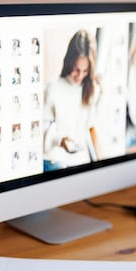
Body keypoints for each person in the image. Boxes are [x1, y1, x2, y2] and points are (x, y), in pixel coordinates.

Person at [43, 29, 100, 168]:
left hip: (79, 161)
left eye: (85, 71)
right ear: (69, 63)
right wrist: (60, 140)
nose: (80, 76)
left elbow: (90, 128)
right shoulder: (53, 88)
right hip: (55, 160)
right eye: (76, 69)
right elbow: (42, 129)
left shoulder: (92, 90)